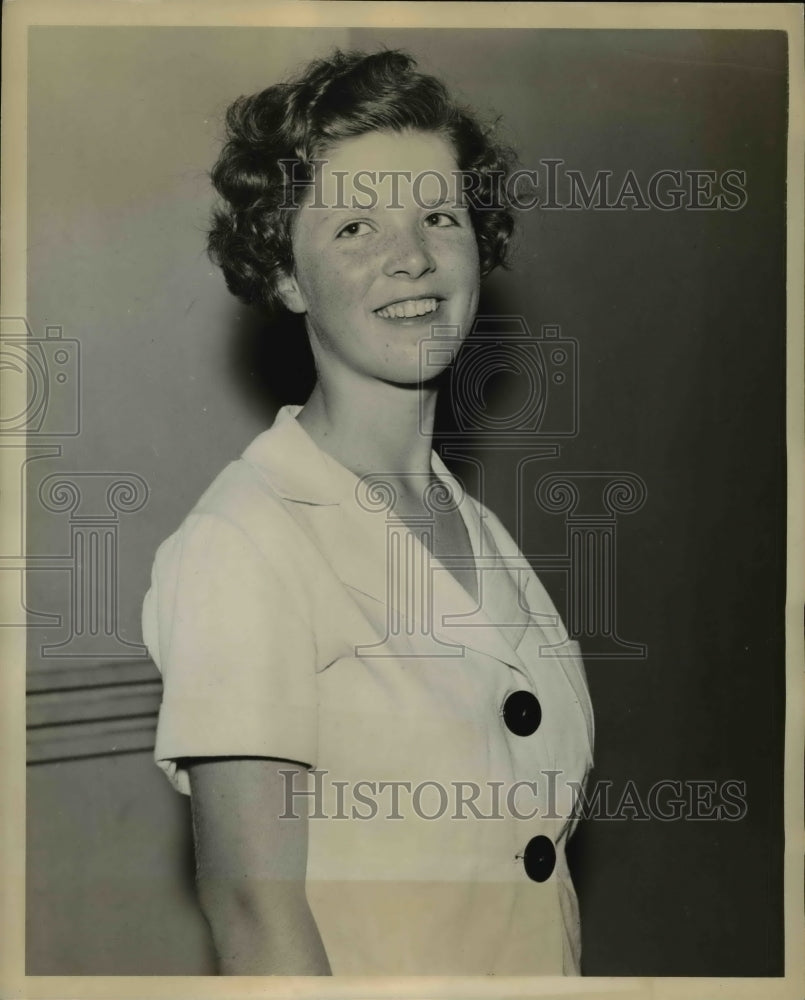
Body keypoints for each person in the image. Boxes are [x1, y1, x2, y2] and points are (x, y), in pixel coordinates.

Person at [141, 48, 594, 976]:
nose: (413, 257)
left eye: (439, 215)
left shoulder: (472, 529)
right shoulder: (246, 544)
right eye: (354, 226)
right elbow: (258, 929)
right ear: (286, 276)